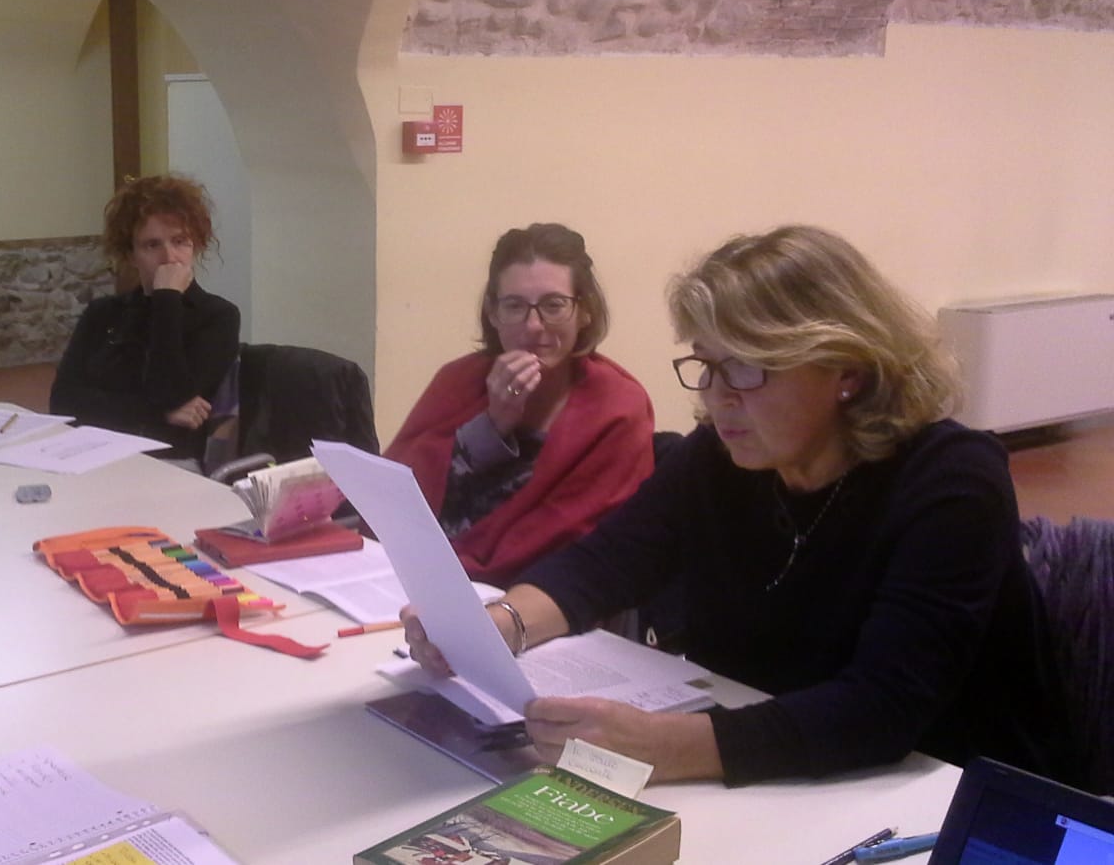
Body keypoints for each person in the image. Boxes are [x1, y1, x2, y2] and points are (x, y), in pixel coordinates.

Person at [403, 225, 1080, 788]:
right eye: (707, 364)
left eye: (748, 367)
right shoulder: (723, 455)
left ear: (846, 370)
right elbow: (607, 561)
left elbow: (883, 707)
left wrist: (661, 746)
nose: (717, 396)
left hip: (938, 790)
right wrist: (500, 624)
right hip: (775, 767)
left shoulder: (952, 480)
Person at [384, 223, 653, 587]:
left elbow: (579, 545)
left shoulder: (618, 407)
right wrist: (492, 426)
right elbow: (392, 498)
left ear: (585, 311)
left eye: (554, 306)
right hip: (410, 574)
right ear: (493, 314)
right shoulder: (458, 380)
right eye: (514, 306)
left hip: (540, 595)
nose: (534, 326)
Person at [50, 175, 240, 465]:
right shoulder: (103, 313)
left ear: (195, 245)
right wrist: (156, 413)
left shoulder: (218, 316)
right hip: (94, 451)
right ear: (131, 255)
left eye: (180, 241)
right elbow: (64, 402)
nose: (170, 257)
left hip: (171, 462)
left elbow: (173, 394)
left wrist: (167, 299)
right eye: (152, 245)